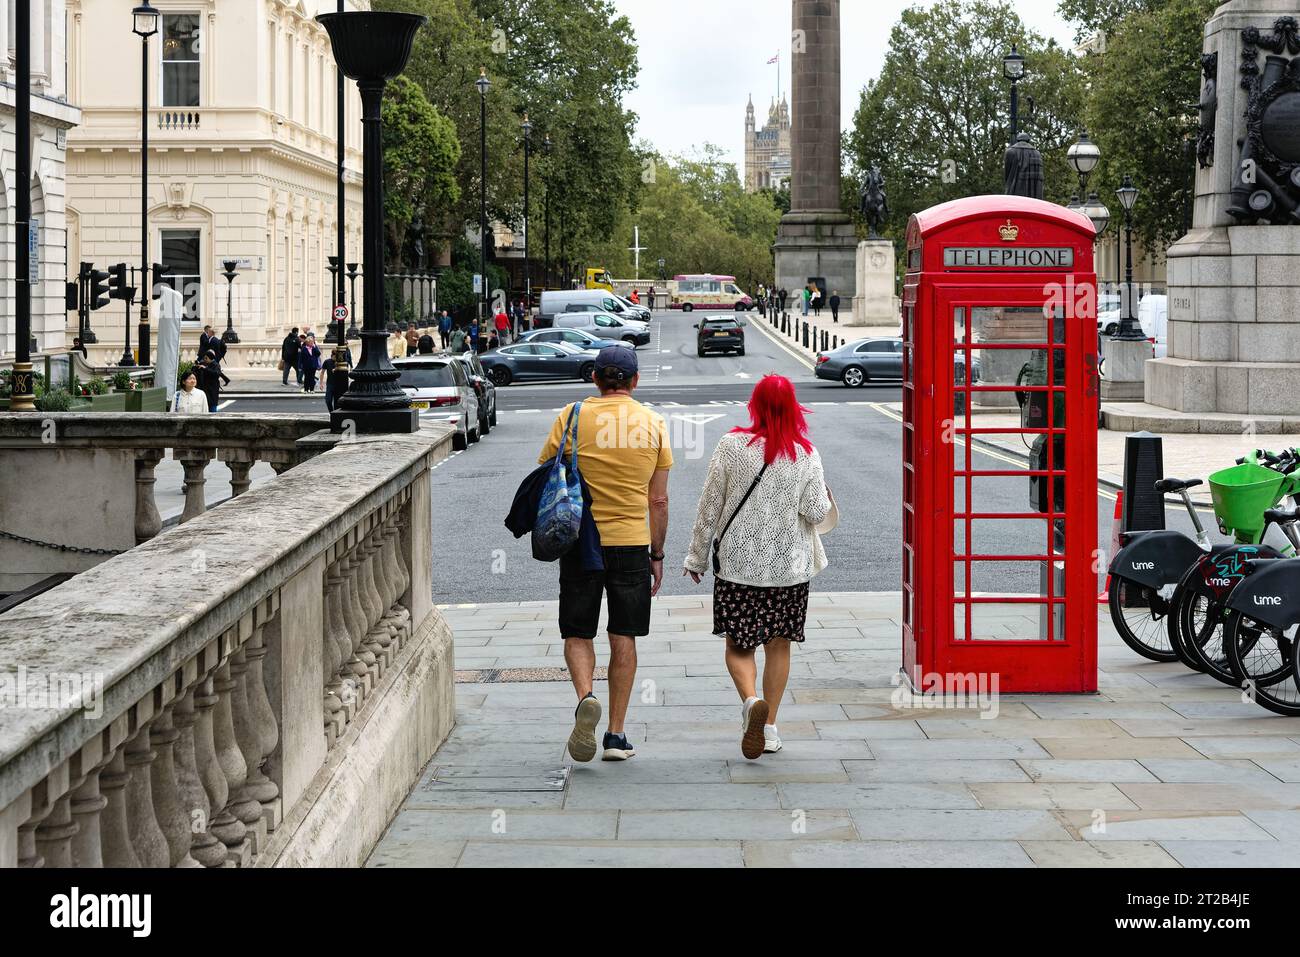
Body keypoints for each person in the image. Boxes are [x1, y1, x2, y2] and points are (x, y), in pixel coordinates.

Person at [683, 374, 833, 759]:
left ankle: (751, 701)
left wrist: (696, 557)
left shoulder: (732, 446)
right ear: (793, 408)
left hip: (738, 567)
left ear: (756, 405)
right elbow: (816, 512)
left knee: (738, 644)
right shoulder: (806, 453)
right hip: (788, 569)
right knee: (779, 645)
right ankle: (768, 728)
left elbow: (710, 505)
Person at [537, 346, 672, 763]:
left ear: (595, 378)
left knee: (578, 631)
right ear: (634, 382)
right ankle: (615, 734)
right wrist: (657, 552)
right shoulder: (653, 424)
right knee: (623, 635)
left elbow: (546, 469)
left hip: (581, 540)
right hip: (631, 541)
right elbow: (659, 501)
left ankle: (585, 699)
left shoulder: (572, 416)